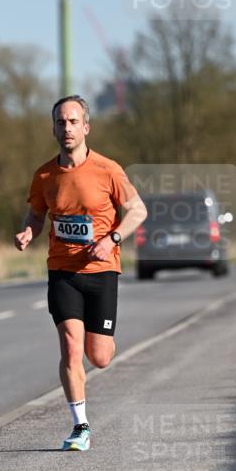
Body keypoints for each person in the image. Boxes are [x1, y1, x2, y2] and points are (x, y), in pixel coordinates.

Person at [15, 95, 147, 451]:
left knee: (99, 357)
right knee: (71, 347)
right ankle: (80, 426)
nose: (67, 128)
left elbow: (138, 210)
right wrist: (28, 232)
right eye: (61, 122)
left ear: (86, 127)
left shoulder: (108, 170)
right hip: (63, 271)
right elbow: (36, 215)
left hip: (102, 271)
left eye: (73, 122)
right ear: (53, 129)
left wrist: (113, 238)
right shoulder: (44, 175)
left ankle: (102, 338)